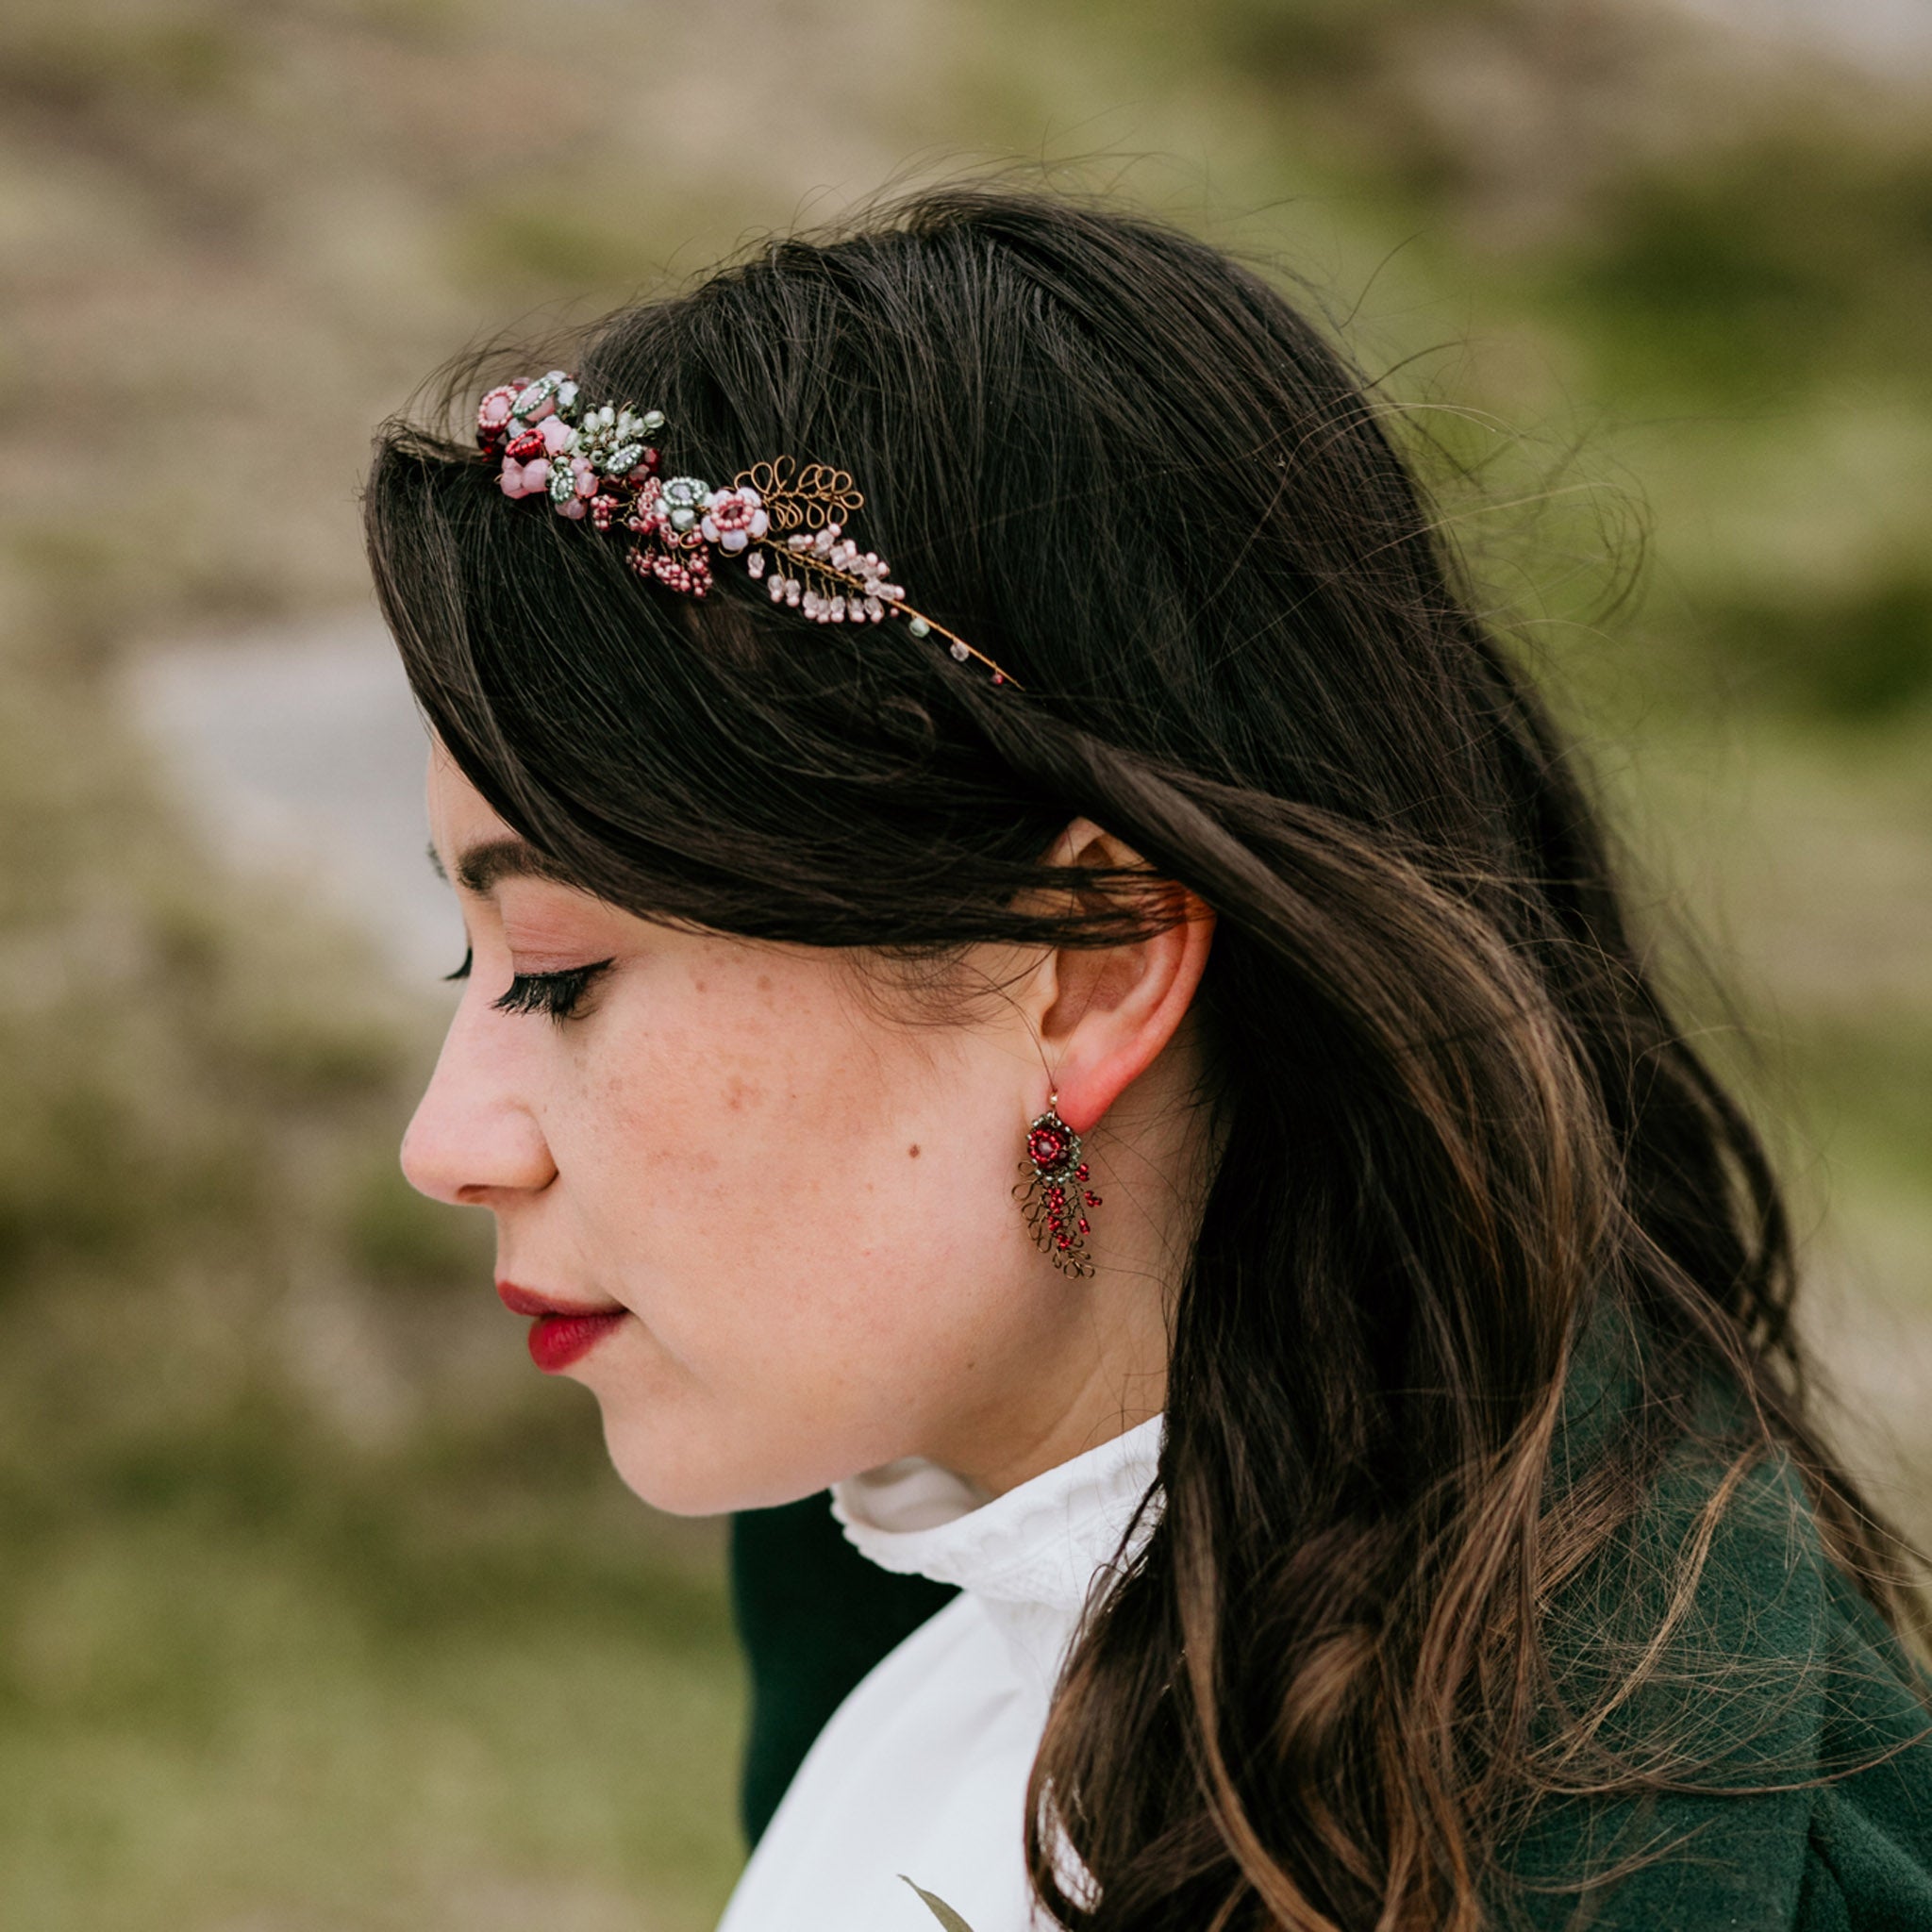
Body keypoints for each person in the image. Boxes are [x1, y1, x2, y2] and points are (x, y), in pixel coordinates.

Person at [362, 188, 1932, 1931]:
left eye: (564, 973)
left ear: (1089, 970)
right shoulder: (931, 1585)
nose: (449, 1142)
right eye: (469, 952)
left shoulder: (1643, 1860)